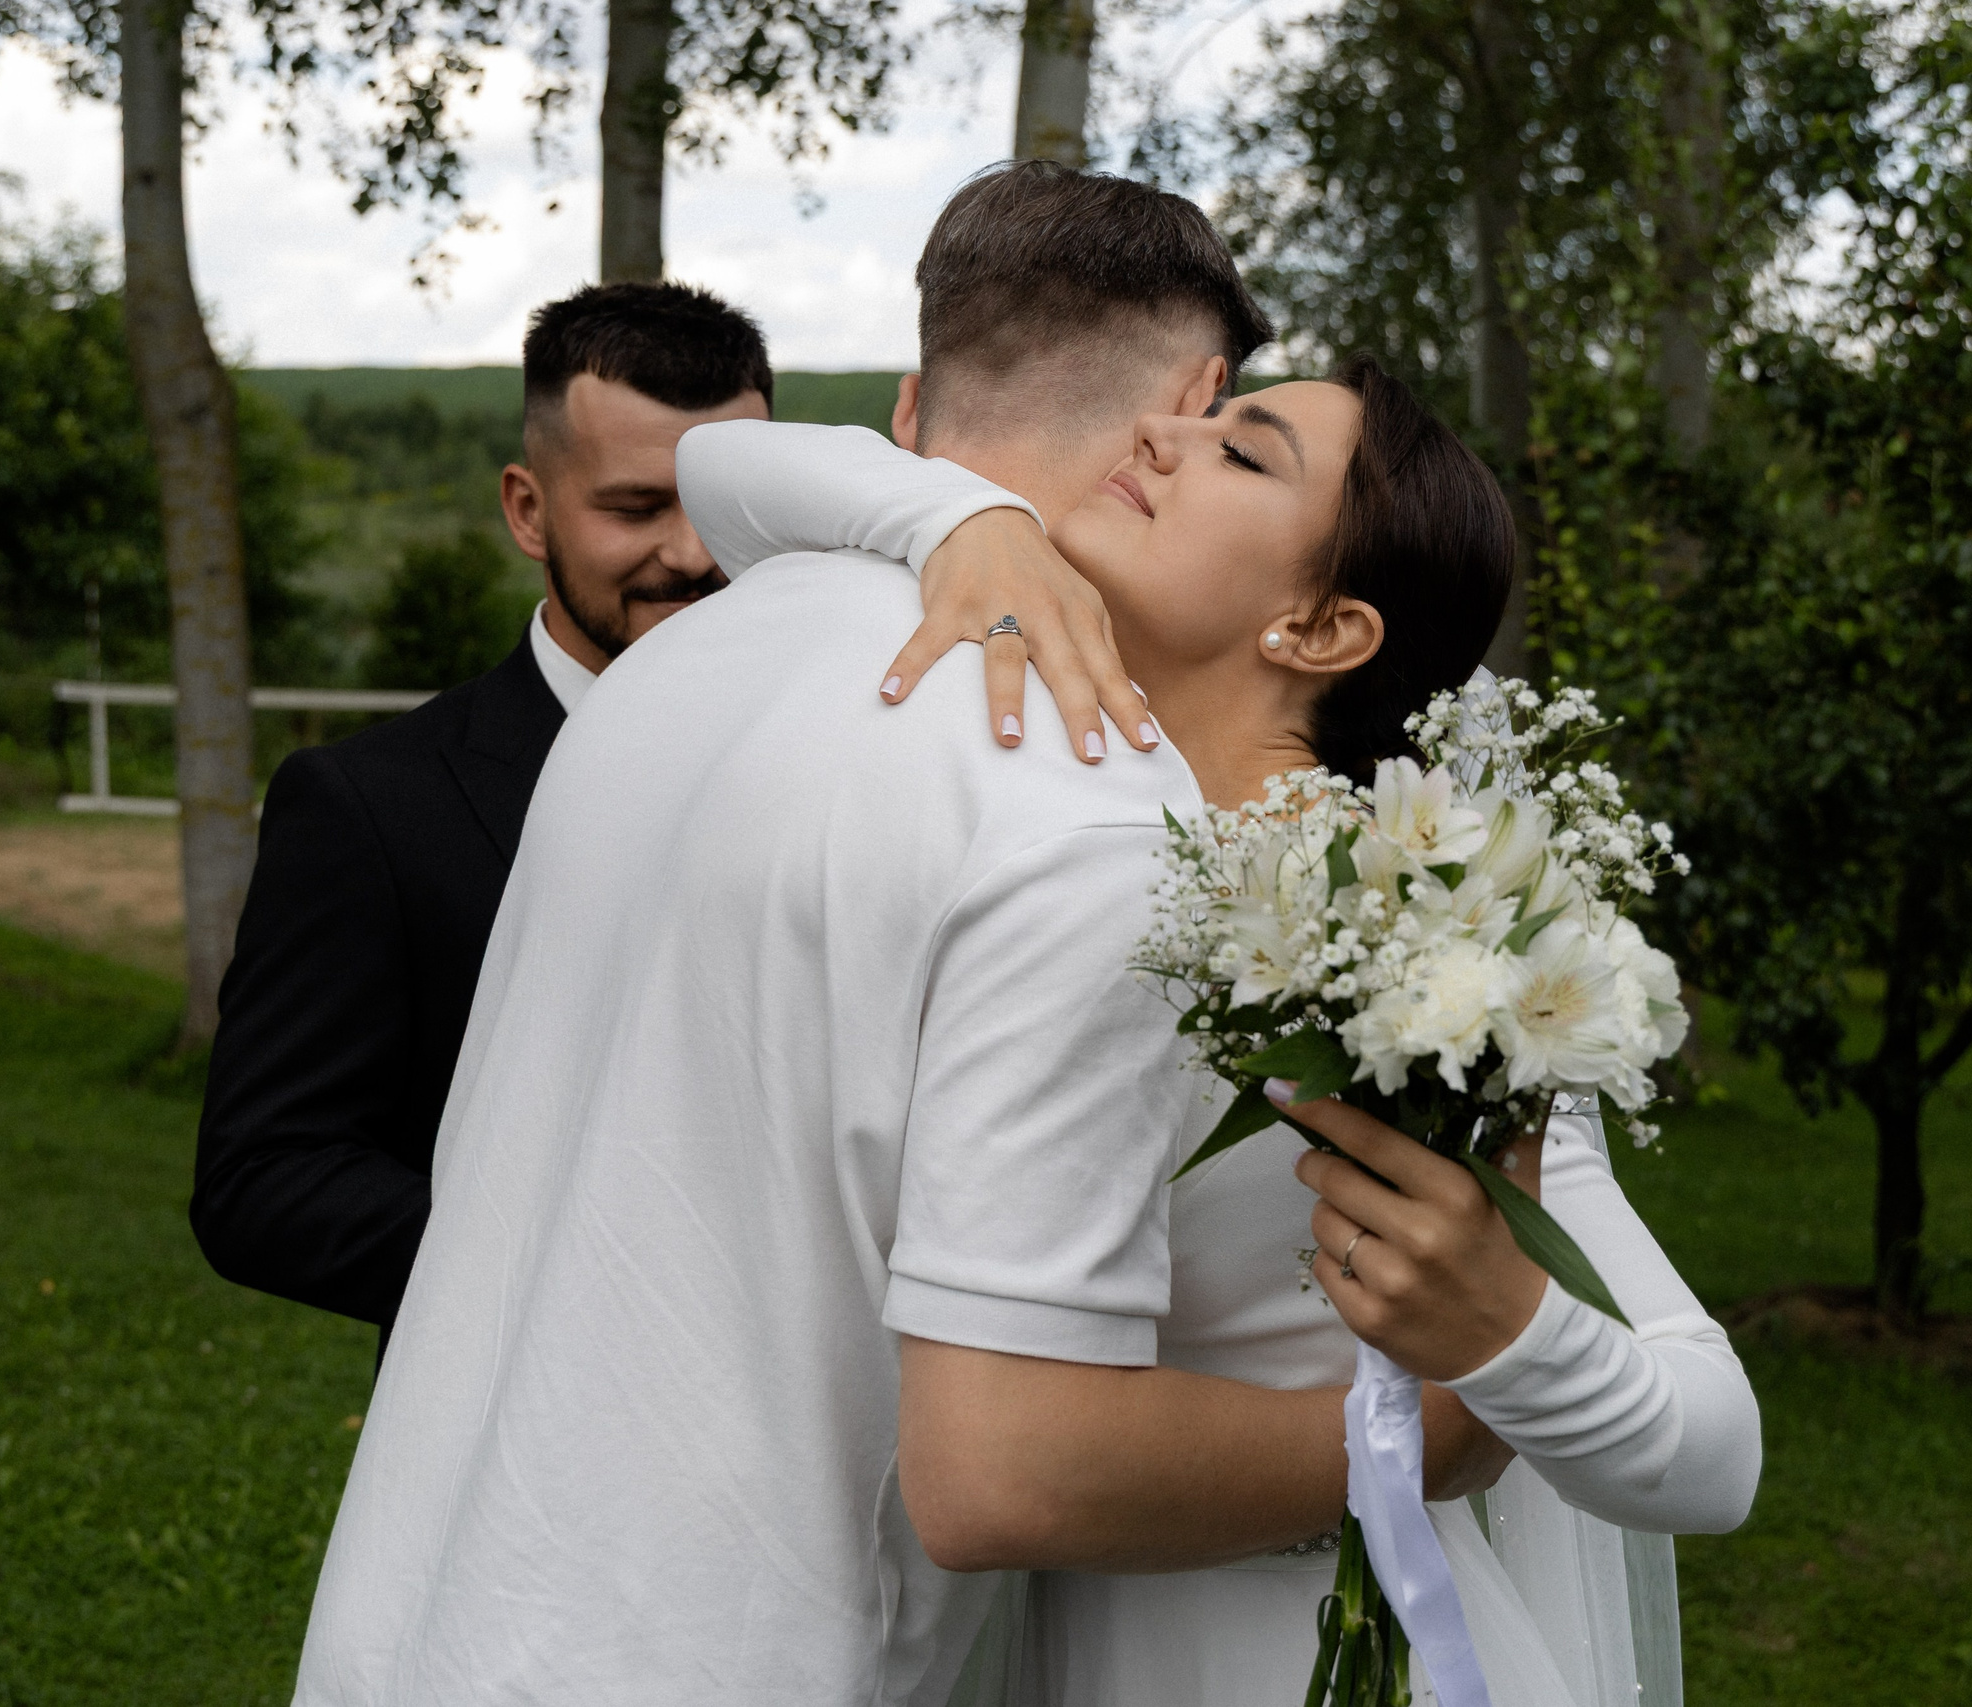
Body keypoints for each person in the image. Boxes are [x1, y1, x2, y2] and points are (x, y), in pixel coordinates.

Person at [289, 164, 1519, 1707]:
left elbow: (747, 478)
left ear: (916, 387)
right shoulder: (1089, 801)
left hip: (404, 1626)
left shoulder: (689, 654)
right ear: (1190, 397)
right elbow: (1007, 1469)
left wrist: (946, 509)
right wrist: (1431, 1441)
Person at [677, 367, 1761, 1703]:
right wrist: (960, 523)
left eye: (1242, 451)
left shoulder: (1427, 943)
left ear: (1319, 625)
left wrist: (1506, 1343)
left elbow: (1716, 1452)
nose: (1157, 433)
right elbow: (716, 472)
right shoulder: (1075, 842)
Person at [188, 282, 772, 1344]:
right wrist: (600, 1272)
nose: (690, 556)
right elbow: (264, 1182)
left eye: (727, 514)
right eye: (635, 508)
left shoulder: (844, 757)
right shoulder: (369, 805)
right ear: (527, 509)